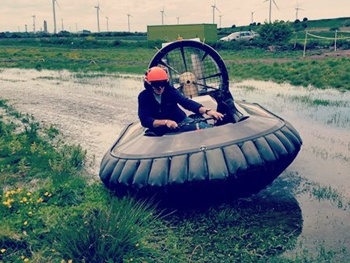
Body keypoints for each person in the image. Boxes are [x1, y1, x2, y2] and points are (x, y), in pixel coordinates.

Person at [138, 66, 224, 135]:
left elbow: (186, 103)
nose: (160, 88)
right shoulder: (143, 97)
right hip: (160, 128)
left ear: (166, 82)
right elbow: (145, 120)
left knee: (206, 129)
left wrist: (208, 111)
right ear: (149, 83)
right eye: (156, 85)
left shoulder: (170, 91)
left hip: (181, 121)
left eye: (162, 84)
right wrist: (165, 122)